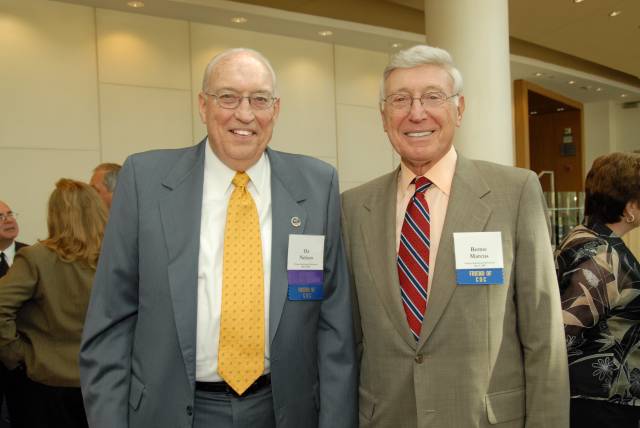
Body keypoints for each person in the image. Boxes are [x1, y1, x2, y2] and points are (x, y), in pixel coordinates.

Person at [79, 48, 356, 428]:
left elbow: (334, 328)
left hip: (283, 410)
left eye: (259, 99)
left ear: (275, 109)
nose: (245, 114)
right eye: (228, 97)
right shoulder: (146, 181)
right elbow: (110, 323)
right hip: (171, 410)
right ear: (203, 105)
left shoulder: (316, 184)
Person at [341, 44, 569, 427]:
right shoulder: (352, 208)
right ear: (383, 116)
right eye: (400, 99)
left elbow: (544, 335)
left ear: (459, 109)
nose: (417, 112)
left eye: (433, 97)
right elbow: (349, 341)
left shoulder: (514, 193)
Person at [0, 179, 107, 428]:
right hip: (105, 379)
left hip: (47, 383)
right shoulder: (118, 257)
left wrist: (17, 355)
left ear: (55, 215)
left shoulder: (36, 258)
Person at [556, 152, 640, 428]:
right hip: (602, 404)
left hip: (598, 399)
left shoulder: (584, 236)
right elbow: (564, 334)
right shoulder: (601, 256)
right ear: (629, 207)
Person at [0, 201, 28, 428]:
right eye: (0, 217)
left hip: (29, 364)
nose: (8, 220)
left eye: (10, 214)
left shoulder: (33, 255)